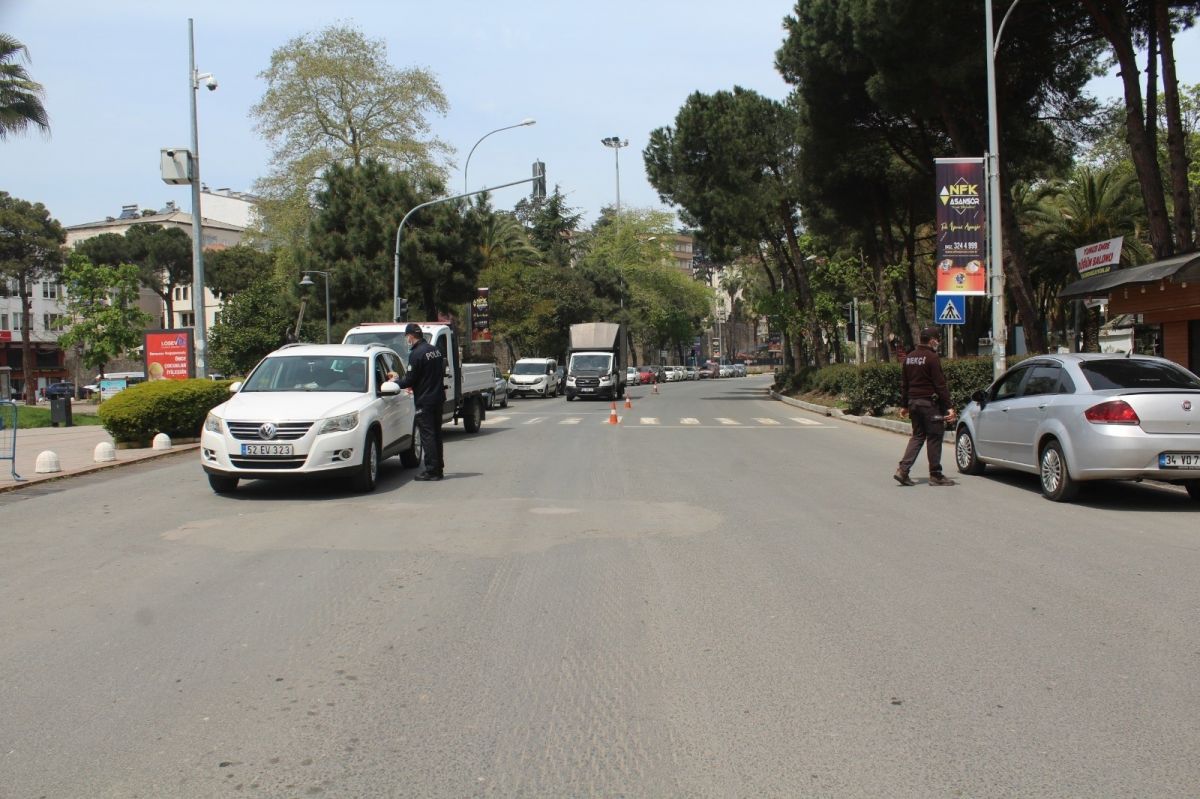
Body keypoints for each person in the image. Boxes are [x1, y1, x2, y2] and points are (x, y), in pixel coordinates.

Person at [895, 326, 956, 487]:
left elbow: (905, 384)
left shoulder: (910, 357)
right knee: (935, 436)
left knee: (918, 436)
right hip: (929, 404)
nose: (939, 342)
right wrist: (949, 407)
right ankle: (935, 474)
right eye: (938, 339)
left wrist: (904, 405)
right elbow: (940, 385)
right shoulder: (932, 357)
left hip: (913, 403)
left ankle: (903, 470)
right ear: (932, 341)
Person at [395, 323, 446, 481]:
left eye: (407, 337)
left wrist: (395, 382)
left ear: (410, 336)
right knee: (436, 434)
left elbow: (410, 379)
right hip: (438, 398)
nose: (407, 340)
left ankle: (431, 471)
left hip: (425, 400)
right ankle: (438, 468)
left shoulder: (416, 354)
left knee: (427, 436)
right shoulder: (435, 350)